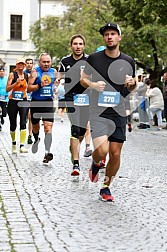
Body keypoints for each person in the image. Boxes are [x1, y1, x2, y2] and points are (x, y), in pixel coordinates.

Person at [80, 22, 137, 202]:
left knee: (115, 153)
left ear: (119, 37)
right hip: (98, 111)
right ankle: (96, 163)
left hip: (119, 111)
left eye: (113, 34)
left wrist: (131, 83)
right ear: (104, 38)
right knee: (102, 150)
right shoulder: (94, 59)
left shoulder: (128, 61)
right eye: (106, 34)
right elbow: (83, 80)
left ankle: (106, 187)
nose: (109, 37)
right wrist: (93, 85)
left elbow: (133, 85)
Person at [58, 34, 90, 176]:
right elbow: (59, 75)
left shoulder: (89, 60)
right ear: (71, 45)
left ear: (84, 46)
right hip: (71, 97)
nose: (78, 46)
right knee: (75, 129)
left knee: (82, 131)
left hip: (86, 98)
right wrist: (56, 80)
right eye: (75, 44)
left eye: (80, 44)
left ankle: (74, 148)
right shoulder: (65, 61)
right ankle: (76, 164)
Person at [27, 53, 58, 163]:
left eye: (48, 61)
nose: (46, 64)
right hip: (36, 103)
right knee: (35, 127)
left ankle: (47, 152)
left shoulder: (53, 72)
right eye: (44, 62)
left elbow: (55, 84)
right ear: (39, 62)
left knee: (48, 128)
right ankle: (36, 139)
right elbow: (28, 88)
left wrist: (55, 88)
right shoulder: (35, 72)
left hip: (48, 103)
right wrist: (39, 85)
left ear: (51, 62)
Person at [6, 58, 29, 154]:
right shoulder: (12, 75)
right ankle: (14, 143)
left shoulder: (26, 75)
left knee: (23, 121)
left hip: (23, 100)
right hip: (13, 101)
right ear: (16, 65)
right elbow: (7, 89)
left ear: (24, 65)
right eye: (19, 64)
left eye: (22, 64)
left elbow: (28, 87)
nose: (21, 65)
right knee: (13, 124)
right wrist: (16, 83)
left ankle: (22, 145)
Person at [24, 58, 34, 144]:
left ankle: (30, 135)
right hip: (24, 98)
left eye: (31, 63)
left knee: (31, 117)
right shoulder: (22, 74)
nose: (29, 65)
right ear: (25, 64)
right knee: (24, 119)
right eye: (28, 63)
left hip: (32, 98)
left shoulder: (35, 74)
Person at [0, 66, 8, 131]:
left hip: (5, 98)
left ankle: (2, 117)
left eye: (2, 71)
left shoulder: (7, 79)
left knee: (4, 113)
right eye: (0, 71)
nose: (1, 73)